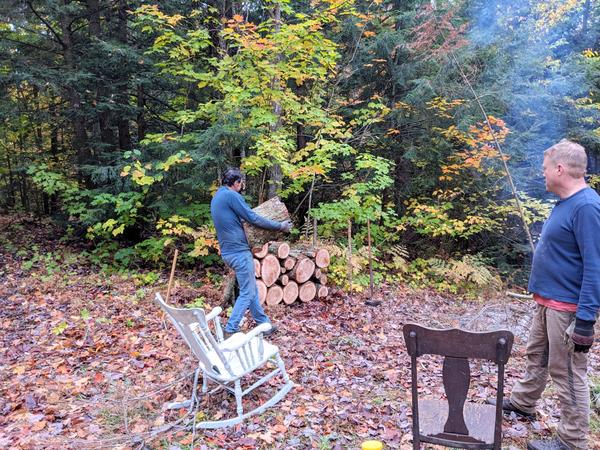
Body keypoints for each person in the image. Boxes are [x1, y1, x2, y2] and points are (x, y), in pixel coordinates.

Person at [501, 139, 600, 450]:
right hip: (548, 303)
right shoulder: (566, 203)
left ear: (560, 169)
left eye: (545, 169)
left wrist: (584, 321)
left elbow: (596, 266)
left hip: (568, 309)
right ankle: (523, 403)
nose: (542, 174)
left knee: (568, 373)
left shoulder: (586, 207)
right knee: (537, 358)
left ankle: (572, 440)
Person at [210, 168, 292, 337]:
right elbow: (252, 217)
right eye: (241, 183)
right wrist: (280, 226)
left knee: (251, 288)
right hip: (239, 252)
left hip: (228, 252)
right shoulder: (231, 196)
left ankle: (264, 325)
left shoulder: (218, 197)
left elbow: (234, 219)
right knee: (247, 291)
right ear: (236, 183)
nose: (242, 186)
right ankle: (231, 329)